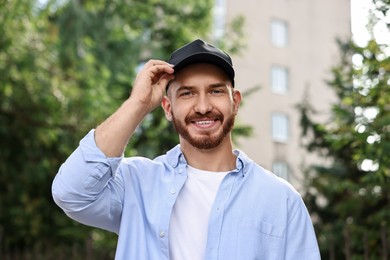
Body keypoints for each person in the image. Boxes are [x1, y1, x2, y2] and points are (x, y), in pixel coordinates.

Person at [52, 39, 320, 259]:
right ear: (168, 108)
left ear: (235, 102)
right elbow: (71, 193)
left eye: (215, 91)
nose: (203, 106)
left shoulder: (282, 200)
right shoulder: (136, 184)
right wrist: (138, 104)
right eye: (187, 93)